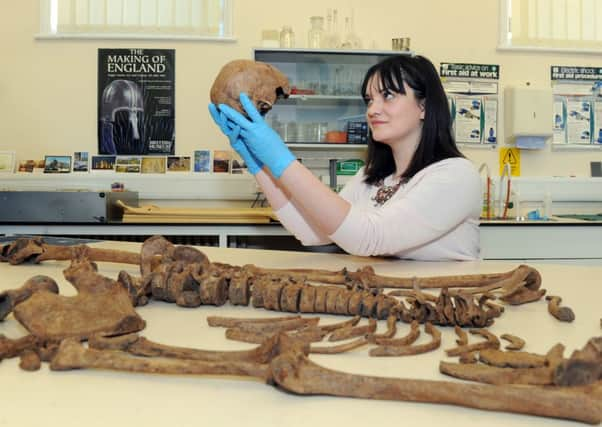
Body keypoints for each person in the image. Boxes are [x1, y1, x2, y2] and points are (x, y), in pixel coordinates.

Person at [209, 54, 481, 261]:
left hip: (444, 317)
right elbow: (315, 231)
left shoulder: (456, 176)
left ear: (423, 106)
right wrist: (259, 163)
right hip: (390, 310)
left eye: (387, 96)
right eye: (369, 100)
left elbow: (368, 238)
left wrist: (281, 158)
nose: (373, 109)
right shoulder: (370, 178)